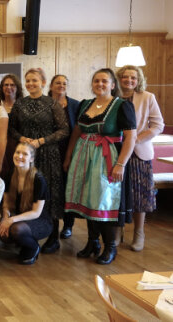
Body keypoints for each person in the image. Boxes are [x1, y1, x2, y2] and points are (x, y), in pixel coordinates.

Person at [64, 68, 136, 265]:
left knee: (103, 201)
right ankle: (92, 242)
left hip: (106, 158)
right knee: (89, 199)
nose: (100, 84)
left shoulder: (121, 106)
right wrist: (69, 156)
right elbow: (77, 131)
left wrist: (120, 163)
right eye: (96, 81)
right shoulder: (86, 104)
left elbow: (131, 137)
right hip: (83, 156)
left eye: (105, 81)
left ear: (113, 85)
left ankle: (110, 247)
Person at [8, 68, 69, 254]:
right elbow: (11, 129)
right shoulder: (19, 104)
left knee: (49, 194)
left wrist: (42, 141)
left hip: (48, 155)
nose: (30, 84)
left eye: (34, 80)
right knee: (27, 192)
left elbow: (64, 130)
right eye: (27, 81)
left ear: (43, 82)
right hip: (26, 156)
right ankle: (27, 231)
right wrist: (22, 138)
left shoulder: (52, 104)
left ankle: (53, 237)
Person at [117, 65, 164, 252]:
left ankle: (139, 233)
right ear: (119, 79)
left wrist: (135, 139)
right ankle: (116, 231)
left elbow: (158, 125)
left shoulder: (147, 97)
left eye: (133, 78)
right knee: (117, 194)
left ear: (138, 80)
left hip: (138, 153)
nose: (129, 80)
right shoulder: (114, 98)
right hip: (116, 152)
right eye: (125, 77)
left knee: (139, 195)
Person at [0, 142, 52, 265]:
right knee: (3, 234)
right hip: (19, 216)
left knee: (17, 229)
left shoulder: (38, 179)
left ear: (31, 159)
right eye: (17, 152)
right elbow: (6, 203)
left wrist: (11, 221)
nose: (19, 156)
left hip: (40, 220)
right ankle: (23, 243)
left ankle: (33, 247)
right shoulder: (10, 174)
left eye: (25, 154)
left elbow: (36, 212)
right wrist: (5, 218)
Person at [47, 74, 81, 239]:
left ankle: (68, 225)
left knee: (69, 189)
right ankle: (51, 227)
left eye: (64, 83)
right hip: (47, 152)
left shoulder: (75, 105)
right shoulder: (43, 103)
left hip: (70, 151)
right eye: (58, 83)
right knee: (52, 191)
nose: (61, 85)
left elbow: (78, 130)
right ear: (51, 85)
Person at [0, 74, 24, 180]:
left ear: (17, 88)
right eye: (6, 85)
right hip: (0, 145)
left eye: (12, 85)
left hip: (18, 145)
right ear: (2, 88)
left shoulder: (23, 105)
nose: (9, 87)